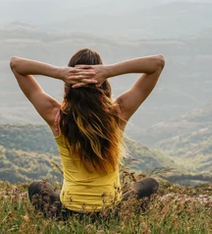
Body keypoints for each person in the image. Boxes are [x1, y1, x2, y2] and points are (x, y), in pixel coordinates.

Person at [10, 48, 165, 217]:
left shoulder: (55, 116)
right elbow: (157, 63)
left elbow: (16, 65)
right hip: (110, 215)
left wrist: (60, 73)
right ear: (102, 82)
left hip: (67, 214)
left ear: (68, 82)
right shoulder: (118, 113)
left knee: (37, 187)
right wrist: (108, 71)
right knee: (151, 184)